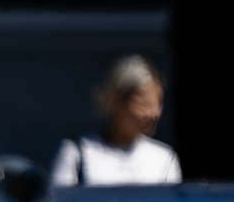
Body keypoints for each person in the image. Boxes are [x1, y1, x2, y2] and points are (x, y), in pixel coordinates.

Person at [50, 54, 180, 185]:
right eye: (143, 104)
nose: (154, 113)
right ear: (115, 102)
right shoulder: (77, 155)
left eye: (158, 103)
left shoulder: (164, 159)